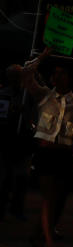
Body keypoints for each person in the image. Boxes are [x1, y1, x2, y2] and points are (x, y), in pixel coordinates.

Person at [21, 49, 73, 247]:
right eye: (55, 73)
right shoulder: (44, 95)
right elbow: (25, 74)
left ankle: (37, 234)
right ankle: (49, 241)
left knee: (60, 200)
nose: (58, 77)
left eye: (62, 73)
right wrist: (42, 57)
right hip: (46, 153)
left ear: (69, 77)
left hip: (66, 154)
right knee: (49, 197)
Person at [0, 63, 33, 222]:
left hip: (23, 140)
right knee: (4, 177)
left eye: (19, 76)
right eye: (14, 76)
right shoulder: (3, 94)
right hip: (7, 140)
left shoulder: (28, 95)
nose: (17, 79)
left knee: (21, 178)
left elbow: (32, 116)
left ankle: (17, 208)